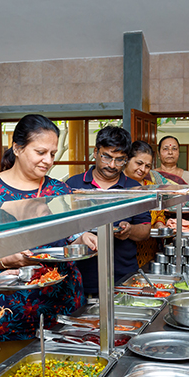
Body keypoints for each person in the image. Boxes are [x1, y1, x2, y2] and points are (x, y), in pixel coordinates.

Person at [0, 114, 95, 340]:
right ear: (17, 148)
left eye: (53, 154)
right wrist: (6, 260)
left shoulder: (60, 191)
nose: (48, 160)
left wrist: (83, 240)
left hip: (62, 298)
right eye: (40, 152)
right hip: (10, 303)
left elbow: (70, 239)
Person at [65, 125, 152, 294]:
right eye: (107, 157)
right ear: (96, 152)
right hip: (81, 276)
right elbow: (60, 231)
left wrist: (130, 230)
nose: (112, 165)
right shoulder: (73, 185)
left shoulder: (134, 188)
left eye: (120, 160)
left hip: (123, 276)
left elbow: (145, 230)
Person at [124, 140, 169, 268]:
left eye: (148, 166)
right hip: (125, 253)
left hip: (150, 251)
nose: (142, 169)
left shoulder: (151, 188)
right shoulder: (118, 186)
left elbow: (160, 213)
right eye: (139, 163)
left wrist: (160, 223)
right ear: (127, 159)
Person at [155, 135, 189, 210]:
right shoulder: (151, 176)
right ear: (158, 154)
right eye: (165, 149)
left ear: (179, 153)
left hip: (183, 219)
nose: (170, 152)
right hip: (157, 220)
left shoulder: (188, 176)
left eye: (174, 149)